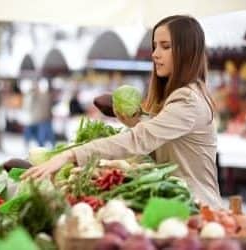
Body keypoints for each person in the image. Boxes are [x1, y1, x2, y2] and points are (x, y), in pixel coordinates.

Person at [22, 15, 222, 208]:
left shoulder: (187, 100)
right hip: (177, 203)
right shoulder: (181, 96)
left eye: (165, 46)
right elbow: (162, 140)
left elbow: (139, 140)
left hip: (197, 207)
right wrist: (136, 121)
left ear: (186, 52)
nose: (155, 54)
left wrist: (70, 155)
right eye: (155, 46)